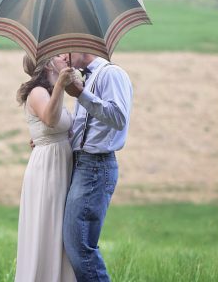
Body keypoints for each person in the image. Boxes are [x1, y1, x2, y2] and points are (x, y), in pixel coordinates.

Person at [54, 53, 133, 282]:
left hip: (96, 167)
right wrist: (52, 140)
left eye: (66, 50)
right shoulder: (85, 78)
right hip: (83, 165)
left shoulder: (112, 74)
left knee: (79, 246)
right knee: (74, 244)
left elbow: (119, 118)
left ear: (82, 45)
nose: (62, 57)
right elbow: (83, 131)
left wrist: (80, 94)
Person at [15, 54, 78, 282]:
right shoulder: (38, 93)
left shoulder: (51, 92)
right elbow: (50, 119)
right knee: (47, 226)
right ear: (48, 64)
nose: (64, 57)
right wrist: (61, 84)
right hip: (47, 168)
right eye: (58, 56)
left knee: (61, 229)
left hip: (61, 162)